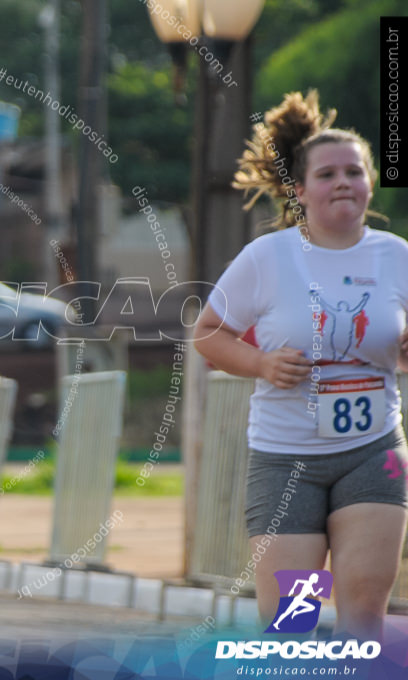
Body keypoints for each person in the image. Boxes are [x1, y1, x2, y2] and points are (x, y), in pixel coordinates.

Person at [193, 90, 408, 641]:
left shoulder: (396, 255)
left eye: (354, 172)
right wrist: (262, 362)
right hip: (286, 459)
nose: (343, 182)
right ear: (301, 190)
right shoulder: (268, 257)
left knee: (364, 612)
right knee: (294, 623)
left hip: (375, 452)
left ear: (369, 183)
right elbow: (208, 334)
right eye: (327, 173)